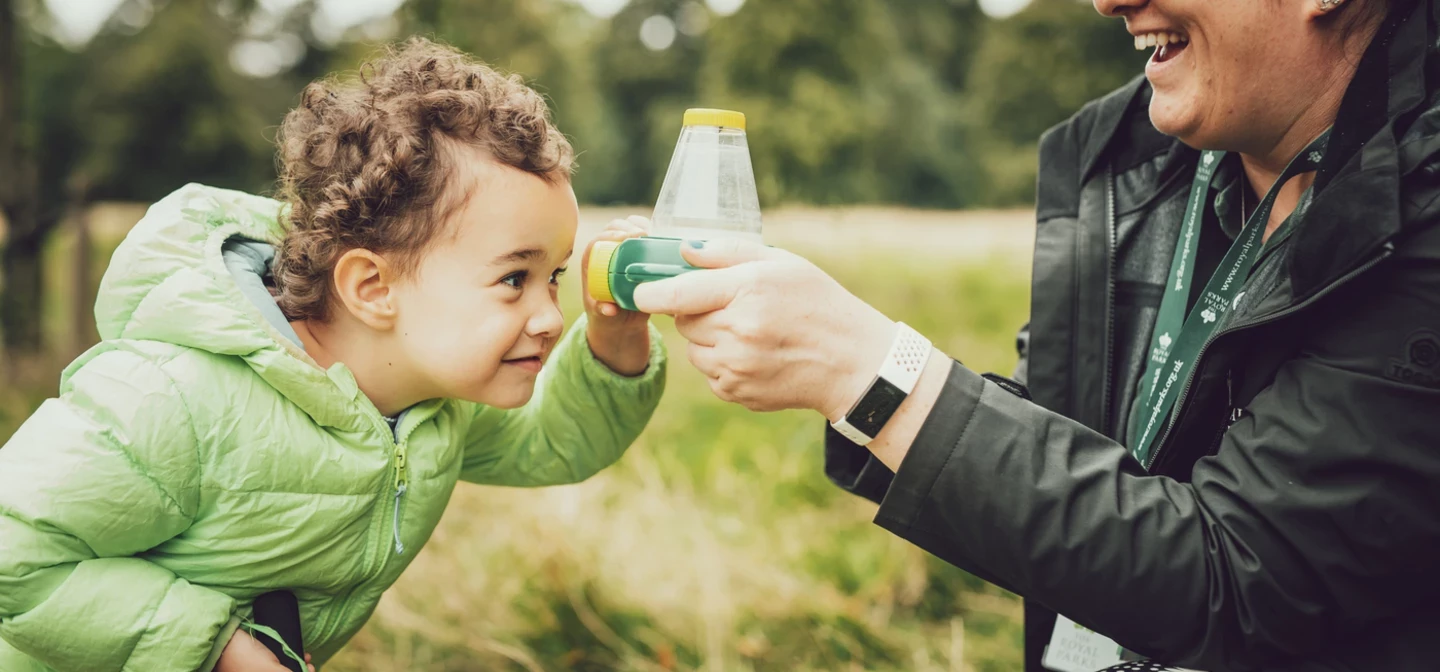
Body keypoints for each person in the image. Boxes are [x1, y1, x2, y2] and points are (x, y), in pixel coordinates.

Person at [632, 0, 1440, 669]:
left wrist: (874, 373)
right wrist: (840, 373)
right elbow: (1077, 450)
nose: (1107, 1)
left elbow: (1241, 576)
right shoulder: (1124, 161)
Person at [0, 38, 666, 672]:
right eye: (513, 279)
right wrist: (214, 647)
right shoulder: (176, 399)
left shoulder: (428, 403)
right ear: (373, 288)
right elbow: (14, 551)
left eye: (553, 276)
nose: (550, 316)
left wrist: (616, 332)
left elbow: (554, 441)